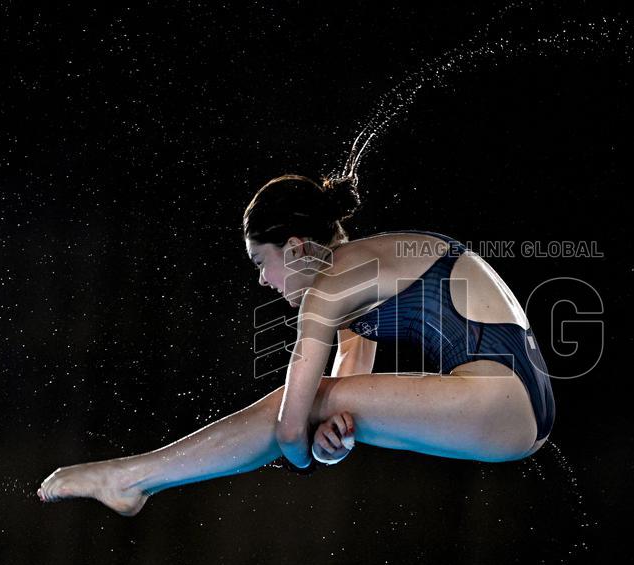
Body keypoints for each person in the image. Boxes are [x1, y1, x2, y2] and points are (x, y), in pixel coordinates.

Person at [37, 173, 555, 516]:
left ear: (296, 247)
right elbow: (349, 393)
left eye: (262, 263)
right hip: (518, 406)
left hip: (502, 399)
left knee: (292, 402)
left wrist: (304, 454)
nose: (263, 281)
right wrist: (331, 444)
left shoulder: (332, 285)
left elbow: (289, 424)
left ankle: (131, 478)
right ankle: (134, 478)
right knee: (319, 400)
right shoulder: (355, 268)